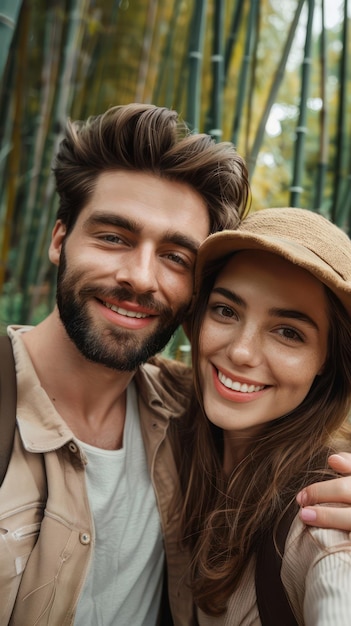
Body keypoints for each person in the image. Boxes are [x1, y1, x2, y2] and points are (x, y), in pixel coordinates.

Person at [1, 104, 351, 626]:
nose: (141, 277)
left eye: (175, 256)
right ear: (59, 240)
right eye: (114, 237)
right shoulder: (198, 420)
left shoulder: (186, 414)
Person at [179, 207, 351, 625]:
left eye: (288, 332)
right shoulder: (169, 417)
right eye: (225, 311)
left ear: (327, 360)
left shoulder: (322, 516)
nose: (241, 351)